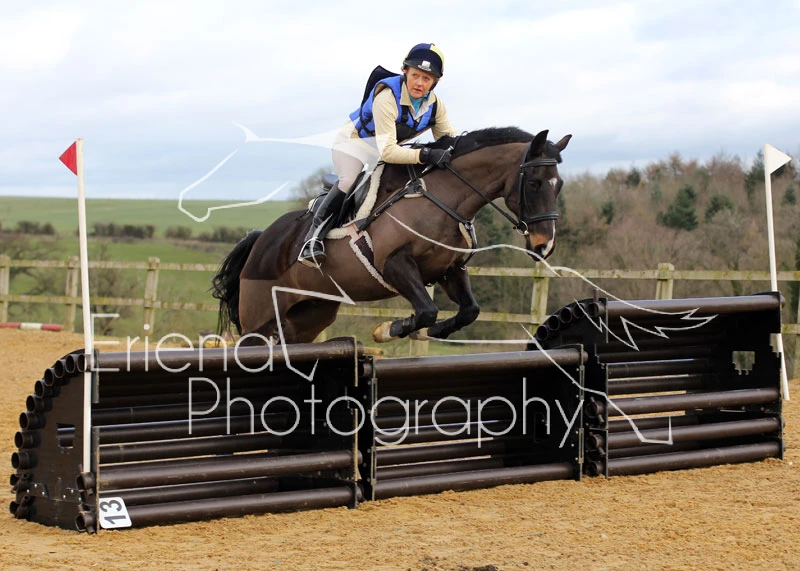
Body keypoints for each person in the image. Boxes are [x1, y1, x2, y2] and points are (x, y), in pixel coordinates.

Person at [298, 42, 458, 268]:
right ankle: (312, 240)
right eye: (415, 75)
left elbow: (448, 140)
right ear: (405, 71)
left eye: (426, 78)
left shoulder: (435, 106)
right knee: (349, 181)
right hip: (354, 144)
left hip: (383, 152)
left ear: (435, 82)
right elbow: (389, 151)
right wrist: (426, 154)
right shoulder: (387, 97)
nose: (419, 83)